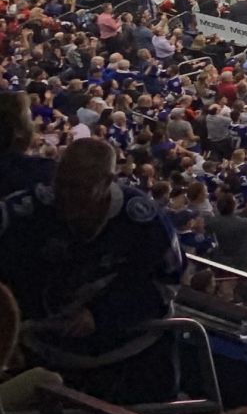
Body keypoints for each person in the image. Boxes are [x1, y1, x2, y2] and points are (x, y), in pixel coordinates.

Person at [0, 136, 184, 398]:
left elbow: (166, 283)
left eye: (78, 187)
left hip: (132, 352)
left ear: (108, 182)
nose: (65, 195)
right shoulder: (30, 210)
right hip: (44, 349)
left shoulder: (145, 223)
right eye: (60, 183)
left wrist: (102, 314)